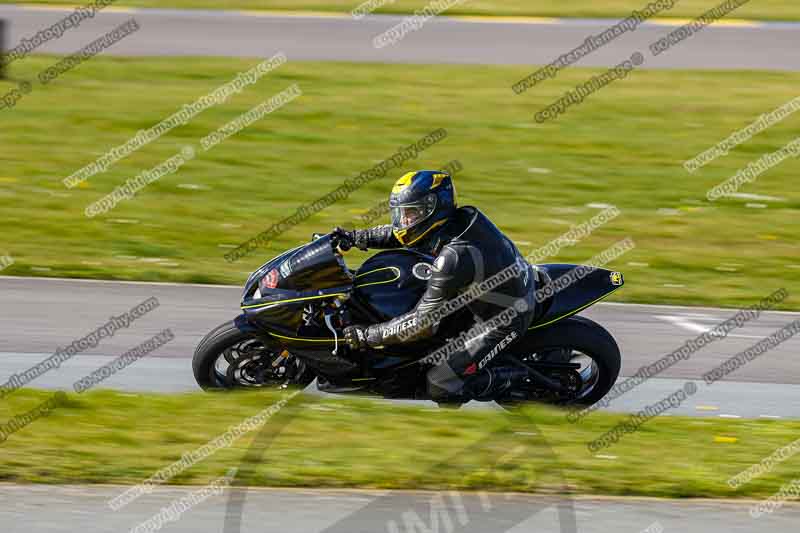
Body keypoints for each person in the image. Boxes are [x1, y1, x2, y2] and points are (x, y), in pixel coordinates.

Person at [333, 170, 536, 404]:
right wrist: (357, 238)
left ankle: (511, 379)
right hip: (482, 295)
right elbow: (403, 235)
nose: (404, 222)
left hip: (503, 318)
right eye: (402, 214)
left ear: (433, 209)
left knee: (440, 384)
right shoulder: (454, 220)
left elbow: (421, 324)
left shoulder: (453, 257)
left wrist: (368, 335)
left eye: (411, 213)